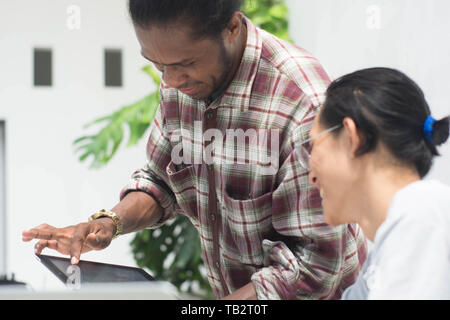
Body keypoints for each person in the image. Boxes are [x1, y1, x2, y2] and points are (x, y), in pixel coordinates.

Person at [22, 0, 367, 300]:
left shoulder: (299, 100)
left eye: (185, 64)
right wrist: (109, 223)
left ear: (232, 27)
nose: (171, 81)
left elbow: (317, 264)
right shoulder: (179, 84)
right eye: (158, 65)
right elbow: (161, 181)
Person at [305, 67, 450, 299]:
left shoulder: (422, 213)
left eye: (313, 145)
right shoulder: (381, 260)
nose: (311, 176)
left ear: (351, 138)